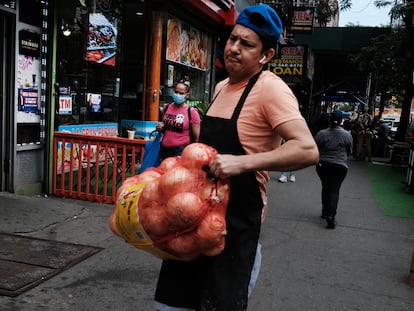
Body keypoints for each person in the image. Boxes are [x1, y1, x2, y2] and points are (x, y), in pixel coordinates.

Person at [154, 4, 319, 311]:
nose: (234, 48)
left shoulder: (271, 89)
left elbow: (308, 149)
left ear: (266, 55)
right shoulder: (219, 87)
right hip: (194, 221)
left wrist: (241, 162)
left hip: (234, 229)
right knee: (169, 306)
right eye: (233, 39)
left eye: (247, 44)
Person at [314, 110, 353, 229]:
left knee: (325, 187)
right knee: (334, 190)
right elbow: (350, 151)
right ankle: (331, 215)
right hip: (340, 166)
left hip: (323, 165)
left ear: (329, 119)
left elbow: (315, 148)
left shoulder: (322, 134)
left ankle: (325, 211)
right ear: (341, 121)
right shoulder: (347, 135)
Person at [156, 80, 201, 160]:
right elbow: (165, 127)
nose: (178, 95)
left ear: (187, 95)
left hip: (180, 150)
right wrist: (161, 128)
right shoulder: (166, 107)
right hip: (164, 149)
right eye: (176, 92)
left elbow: (197, 137)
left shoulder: (191, 112)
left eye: (181, 93)